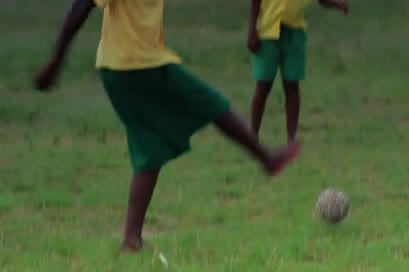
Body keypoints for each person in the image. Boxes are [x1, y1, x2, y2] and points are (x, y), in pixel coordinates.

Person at [33, 0, 302, 252]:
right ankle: (266, 158)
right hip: (136, 65)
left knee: (151, 144)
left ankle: (131, 237)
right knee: (212, 103)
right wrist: (56, 62)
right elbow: (80, 7)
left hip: (126, 67)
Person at [247, 0, 349, 143]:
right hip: (267, 32)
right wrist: (252, 29)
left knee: (292, 85)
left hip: (294, 33)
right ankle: (252, 136)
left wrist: (337, 4)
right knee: (263, 86)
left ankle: (291, 138)